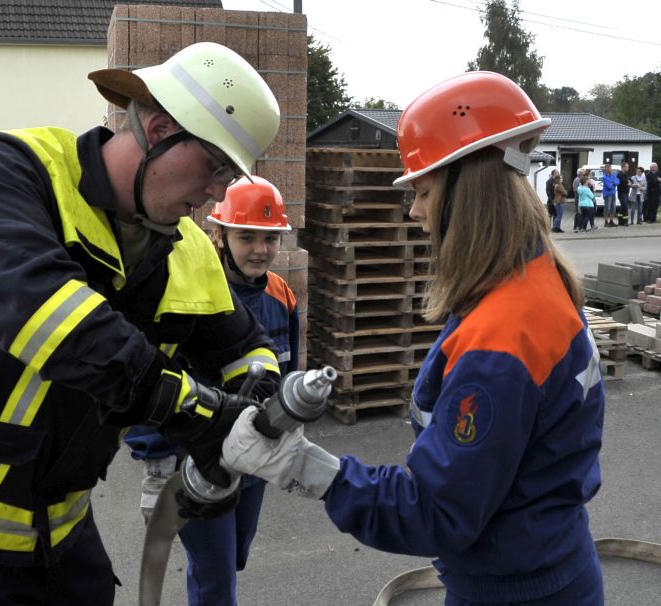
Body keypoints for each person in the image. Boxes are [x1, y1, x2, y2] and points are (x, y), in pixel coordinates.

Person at [0, 41, 283, 605]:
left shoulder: (185, 248)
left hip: (54, 532)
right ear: (159, 129)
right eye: (214, 167)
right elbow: (48, 317)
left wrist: (260, 394)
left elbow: (242, 343)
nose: (216, 193)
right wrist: (191, 408)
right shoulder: (12, 170)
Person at [222, 71, 606, 606]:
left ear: (466, 190)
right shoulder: (538, 278)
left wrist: (304, 466)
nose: (414, 211)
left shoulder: (503, 338)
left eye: (423, 190)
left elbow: (436, 512)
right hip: (547, 567)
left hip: (514, 591)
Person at [127, 176, 300, 605]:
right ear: (217, 234)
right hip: (197, 456)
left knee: (235, 553)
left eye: (270, 238)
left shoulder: (283, 295)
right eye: (247, 236)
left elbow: (289, 365)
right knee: (216, 572)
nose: (261, 249)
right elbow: (147, 375)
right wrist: (156, 458)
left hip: (257, 449)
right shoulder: (190, 293)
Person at [572, 167, 585, 233]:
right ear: (580, 174)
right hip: (578, 198)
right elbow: (574, 189)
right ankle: (577, 226)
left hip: (580, 198)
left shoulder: (581, 179)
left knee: (579, 212)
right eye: (583, 173)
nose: (584, 175)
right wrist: (581, 190)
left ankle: (577, 226)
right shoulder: (577, 180)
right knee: (578, 213)